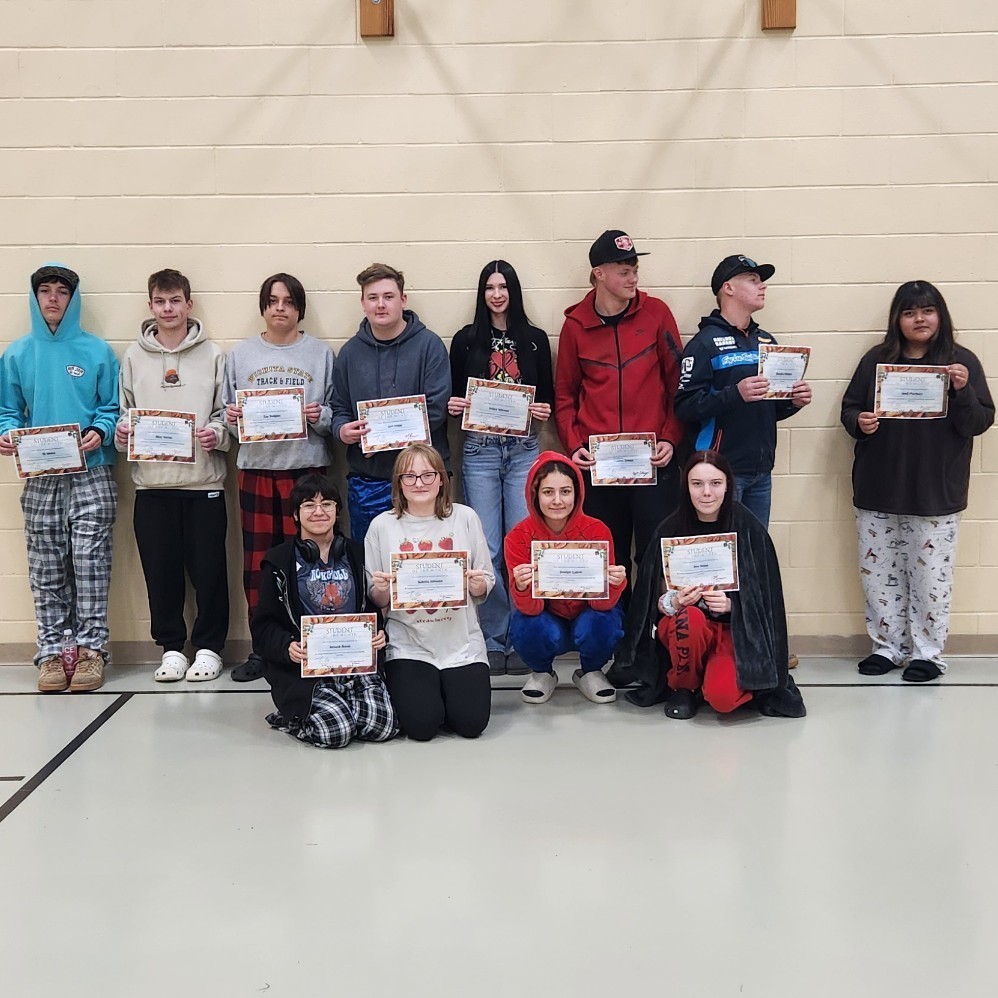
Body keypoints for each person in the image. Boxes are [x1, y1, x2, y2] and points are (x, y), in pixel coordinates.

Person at [840, 280, 994, 682]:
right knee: (878, 574)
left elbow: (979, 422)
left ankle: (928, 653)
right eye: (909, 312)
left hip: (935, 491)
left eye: (926, 310)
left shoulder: (962, 362)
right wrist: (860, 421)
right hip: (879, 486)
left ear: (940, 315)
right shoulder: (876, 360)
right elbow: (850, 408)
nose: (919, 319)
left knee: (930, 578)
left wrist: (962, 391)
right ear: (897, 320)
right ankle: (888, 647)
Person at [611, 449, 806, 720]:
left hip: (732, 633)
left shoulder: (749, 528)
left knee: (723, 700)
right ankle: (684, 687)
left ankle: (711, 682)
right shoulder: (670, 529)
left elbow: (766, 599)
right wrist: (674, 602)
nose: (706, 493)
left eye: (715, 484)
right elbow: (652, 601)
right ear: (686, 488)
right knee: (687, 619)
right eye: (697, 484)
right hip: (684, 628)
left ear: (727, 486)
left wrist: (731, 605)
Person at [0, 264, 119, 692]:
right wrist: (6, 433)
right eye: (44, 291)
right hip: (40, 475)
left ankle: (90, 652)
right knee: (46, 566)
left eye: (61, 292)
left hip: (93, 470)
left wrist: (99, 431)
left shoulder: (98, 352)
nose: (52, 298)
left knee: (91, 563)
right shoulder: (16, 354)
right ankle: (52, 652)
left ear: (73, 299)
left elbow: (112, 408)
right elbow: (8, 411)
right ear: (34, 299)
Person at [115, 269, 229, 683]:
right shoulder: (133, 356)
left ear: (188, 304)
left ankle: (210, 649)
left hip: (204, 486)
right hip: (153, 486)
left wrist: (215, 433)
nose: (168, 309)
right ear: (150, 307)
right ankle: (171, 648)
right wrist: (122, 431)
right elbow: (122, 414)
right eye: (160, 302)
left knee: (210, 573)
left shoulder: (214, 354)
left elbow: (224, 416)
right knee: (160, 574)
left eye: (175, 301)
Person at [554, 229, 684, 594]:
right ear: (599, 273)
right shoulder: (575, 326)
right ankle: (618, 639)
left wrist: (671, 438)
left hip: (653, 462)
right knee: (609, 559)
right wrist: (574, 442)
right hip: (600, 467)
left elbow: (678, 383)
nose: (633, 277)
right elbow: (565, 394)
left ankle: (650, 639)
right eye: (623, 270)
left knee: (655, 554)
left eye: (635, 268)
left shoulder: (657, 314)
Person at [223, 273, 336, 682]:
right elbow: (226, 419)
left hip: (306, 470)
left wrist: (319, 416)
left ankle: (311, 643)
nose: (280, 308)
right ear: (263, 307)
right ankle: (263, 648)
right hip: (255, 469)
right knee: (258, 566)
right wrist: (233, 420)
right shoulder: (240, 356)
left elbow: (334, 417)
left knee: (309, 563)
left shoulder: (321, 354)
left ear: (299, 308)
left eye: (288, 301)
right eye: (272, 301)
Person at [447, 260, 554, 677]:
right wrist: (454, 405)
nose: (497, 293)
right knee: (488, 548)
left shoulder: (534, 340)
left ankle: (523, 637)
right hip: (480, 451)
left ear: (514, 291)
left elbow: (545, 398)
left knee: (521, 548)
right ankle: (493, 640)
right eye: (490, 286)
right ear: (482, 292)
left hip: (524, 449)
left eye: (503, 286)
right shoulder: (466, 340)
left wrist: (541, 409)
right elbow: (452, 401)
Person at [251, 474, 399, 749]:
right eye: (309, 505)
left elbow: (371, 609)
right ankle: (292, 718)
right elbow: (263, 628)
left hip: (355, 664)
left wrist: (379, 634)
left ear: (337, 511)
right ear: (296, 515)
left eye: (327, 503)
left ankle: (341, 703)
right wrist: (287, 648)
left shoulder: (357, 553)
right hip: (304, 670)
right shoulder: (278, 562)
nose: (319, 511)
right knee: (337, 733)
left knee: (381, 727)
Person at [365, 444, 493, 741]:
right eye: (409, 476)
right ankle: (430, 692)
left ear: (441, 480)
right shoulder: (381, 526)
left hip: (461, 644)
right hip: (409, 643)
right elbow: (376, 598)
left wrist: (477, 585)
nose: (419, 483)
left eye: (427, 475)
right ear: (398, 482)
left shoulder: (465, 518)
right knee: (422, 727)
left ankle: (448, 690)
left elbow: (487, 580)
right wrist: (381, 590)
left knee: (471, 725)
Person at [674, 254, 812, 528]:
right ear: (728, 288)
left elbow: (769, 407)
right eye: (753, 280)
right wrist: (734, 394)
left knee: (755, 551)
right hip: (721, 471)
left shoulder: (766, 341)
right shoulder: (704, 344)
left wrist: (793, 402)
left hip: (761, 471)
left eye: (761, 282)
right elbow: (685, 406)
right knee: (725, 551)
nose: (762, 287)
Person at [331, 263, 451, 543]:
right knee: (373, 567)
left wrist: (386, 440)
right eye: (373, 298)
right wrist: (342, 431)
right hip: (368, 480)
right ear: (363, 304)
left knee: (427, 561)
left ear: (403, 300)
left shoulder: (429, 346)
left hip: (424, 480)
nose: (380, 305)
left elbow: (436, 409)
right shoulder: (349, 353)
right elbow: (339, 408)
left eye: (388, 296)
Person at [504, 452, 626, 705]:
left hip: (587, 614)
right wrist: (521, 586)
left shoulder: (597, 530)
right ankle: (542, 672)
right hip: (548, 618)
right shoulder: (518, 536)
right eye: (548, 492)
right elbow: (528, 608)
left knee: (604, 621)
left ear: (577, 494)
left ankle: (590, 671)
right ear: (534, 495)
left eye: (566, 492)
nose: (557, 501)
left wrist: (614, 586)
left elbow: (602, 605)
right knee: (527, 624)